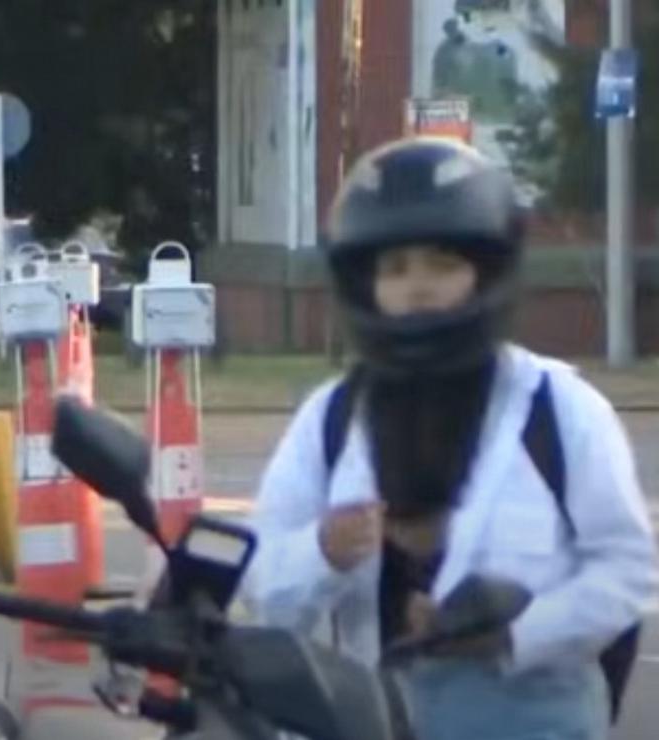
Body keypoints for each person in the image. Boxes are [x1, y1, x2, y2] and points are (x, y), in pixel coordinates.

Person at [240, 136, 657, 740]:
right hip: (369, 718)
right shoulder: (330, 419)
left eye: (442, 263)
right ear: (366, 284)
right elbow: (264, 586)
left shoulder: (560, 410)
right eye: (396, 268)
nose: (418, 287)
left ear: (485, 272)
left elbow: (626, 571)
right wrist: (323, 551)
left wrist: (516, 632)